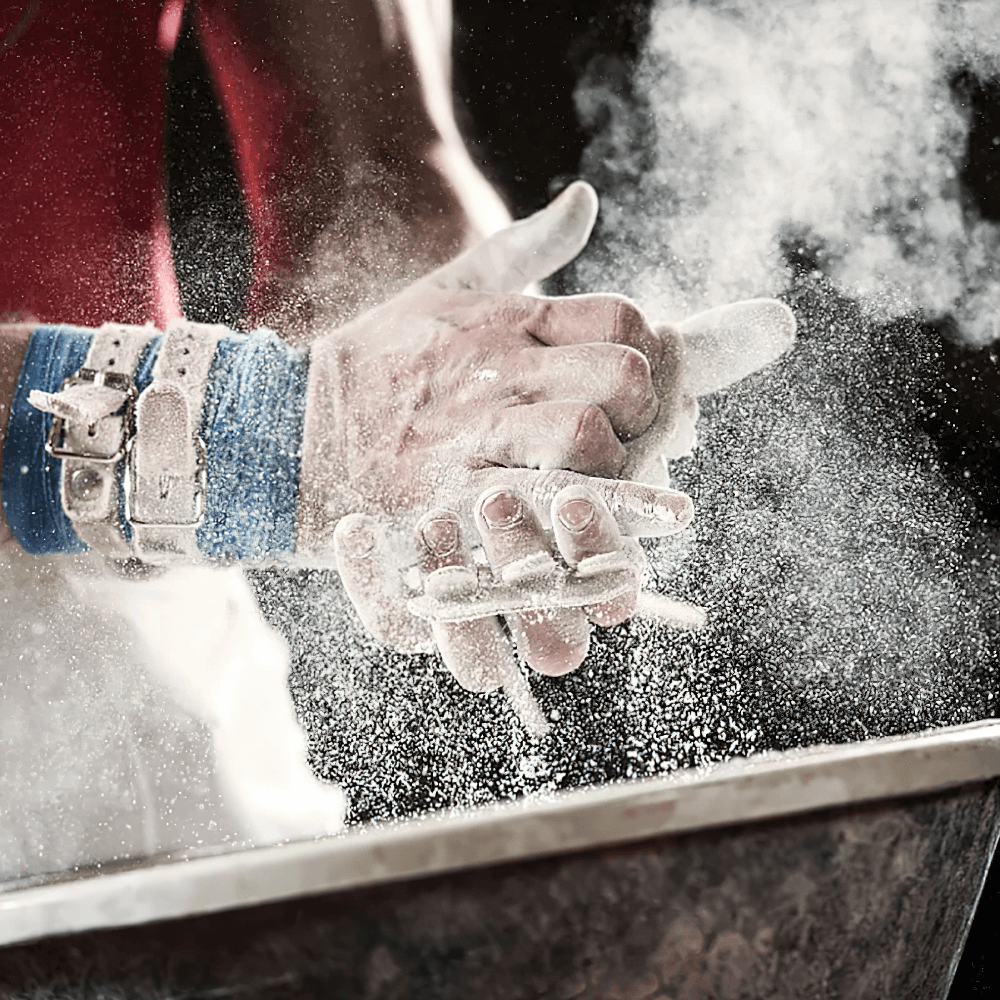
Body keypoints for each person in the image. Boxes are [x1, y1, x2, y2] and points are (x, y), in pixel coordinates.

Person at [1, 0, 792, 688]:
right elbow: (282, 434)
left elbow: (368, 171)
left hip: (113, 574)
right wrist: (271, 433)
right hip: (142, 470)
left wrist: (468, 407)